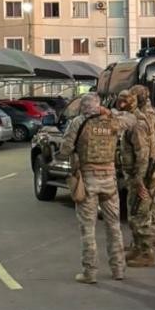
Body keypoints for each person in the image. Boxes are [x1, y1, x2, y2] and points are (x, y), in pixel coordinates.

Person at [60, 93, 126, 284]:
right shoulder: (112, 121)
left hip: (88, 179)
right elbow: (131, 120)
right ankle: (118, 269)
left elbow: (65, 149)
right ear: (99, 105)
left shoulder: (78, 123)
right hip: (109, 179)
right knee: (114, 226)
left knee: (88, 228)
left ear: (83, 107)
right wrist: (110, 112)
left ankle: (90, 272)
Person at [115, 91, 155, 267]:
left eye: (123, 102)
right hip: (134, 176)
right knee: (133, 213)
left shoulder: (137, 124)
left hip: (141, 177)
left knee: (140, 215)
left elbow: (142, 155)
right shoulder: (131, 120)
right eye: (119, 101)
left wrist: (140, 181)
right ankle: (138, 247)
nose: (120, 105)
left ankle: (146, 253)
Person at [132, 84, 155, 249]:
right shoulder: (153, 112)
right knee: (153, 198)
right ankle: (154, 236)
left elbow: (145, 141)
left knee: (145, 200)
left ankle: (146, 239)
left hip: (146, 160)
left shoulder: (145, 114)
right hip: (152, 158)